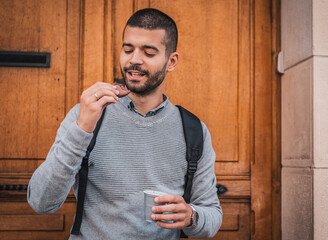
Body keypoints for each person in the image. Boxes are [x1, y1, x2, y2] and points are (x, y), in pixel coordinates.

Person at [27, 8, 222, 239]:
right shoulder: (86, 115)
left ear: (171, 61)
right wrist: (82, 129)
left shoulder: (194, 131)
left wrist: (191, 216)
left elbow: (212, 214)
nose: (134, 60)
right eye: (127, 49)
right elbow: (41, 202)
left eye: (148, 52)